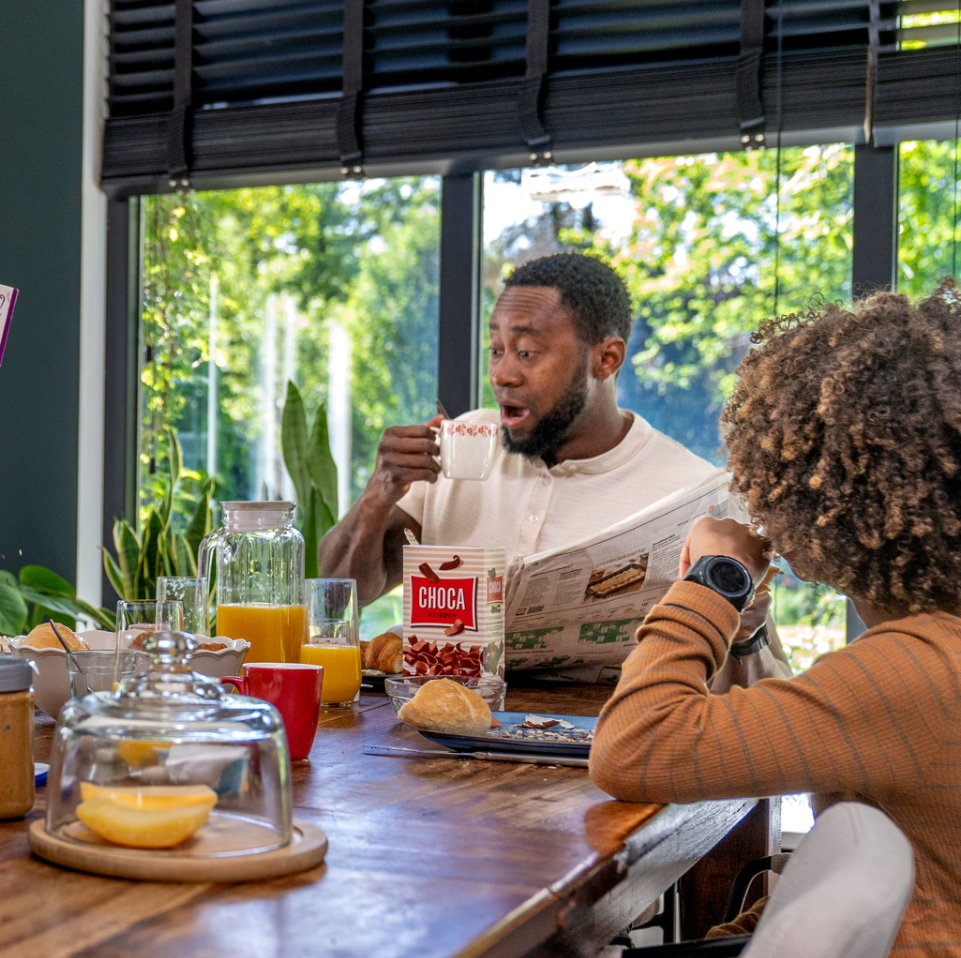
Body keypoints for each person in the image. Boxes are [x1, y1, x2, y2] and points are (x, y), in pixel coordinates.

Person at [591, 287, 961, 957]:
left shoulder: (920, 669)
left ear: (834, 491)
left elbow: (635, 746)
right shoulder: (934, 645)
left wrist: (714, 578)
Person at [320, 251, 788, 684]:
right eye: (496, 349)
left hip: (596, 753)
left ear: (606, 359)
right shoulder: (463, 441)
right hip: (427, 732)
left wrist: (742, 625)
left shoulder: (694, 493)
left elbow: (760, 693)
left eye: (526, 352)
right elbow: (341, 595)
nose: (502, 374)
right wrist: (376, 497)